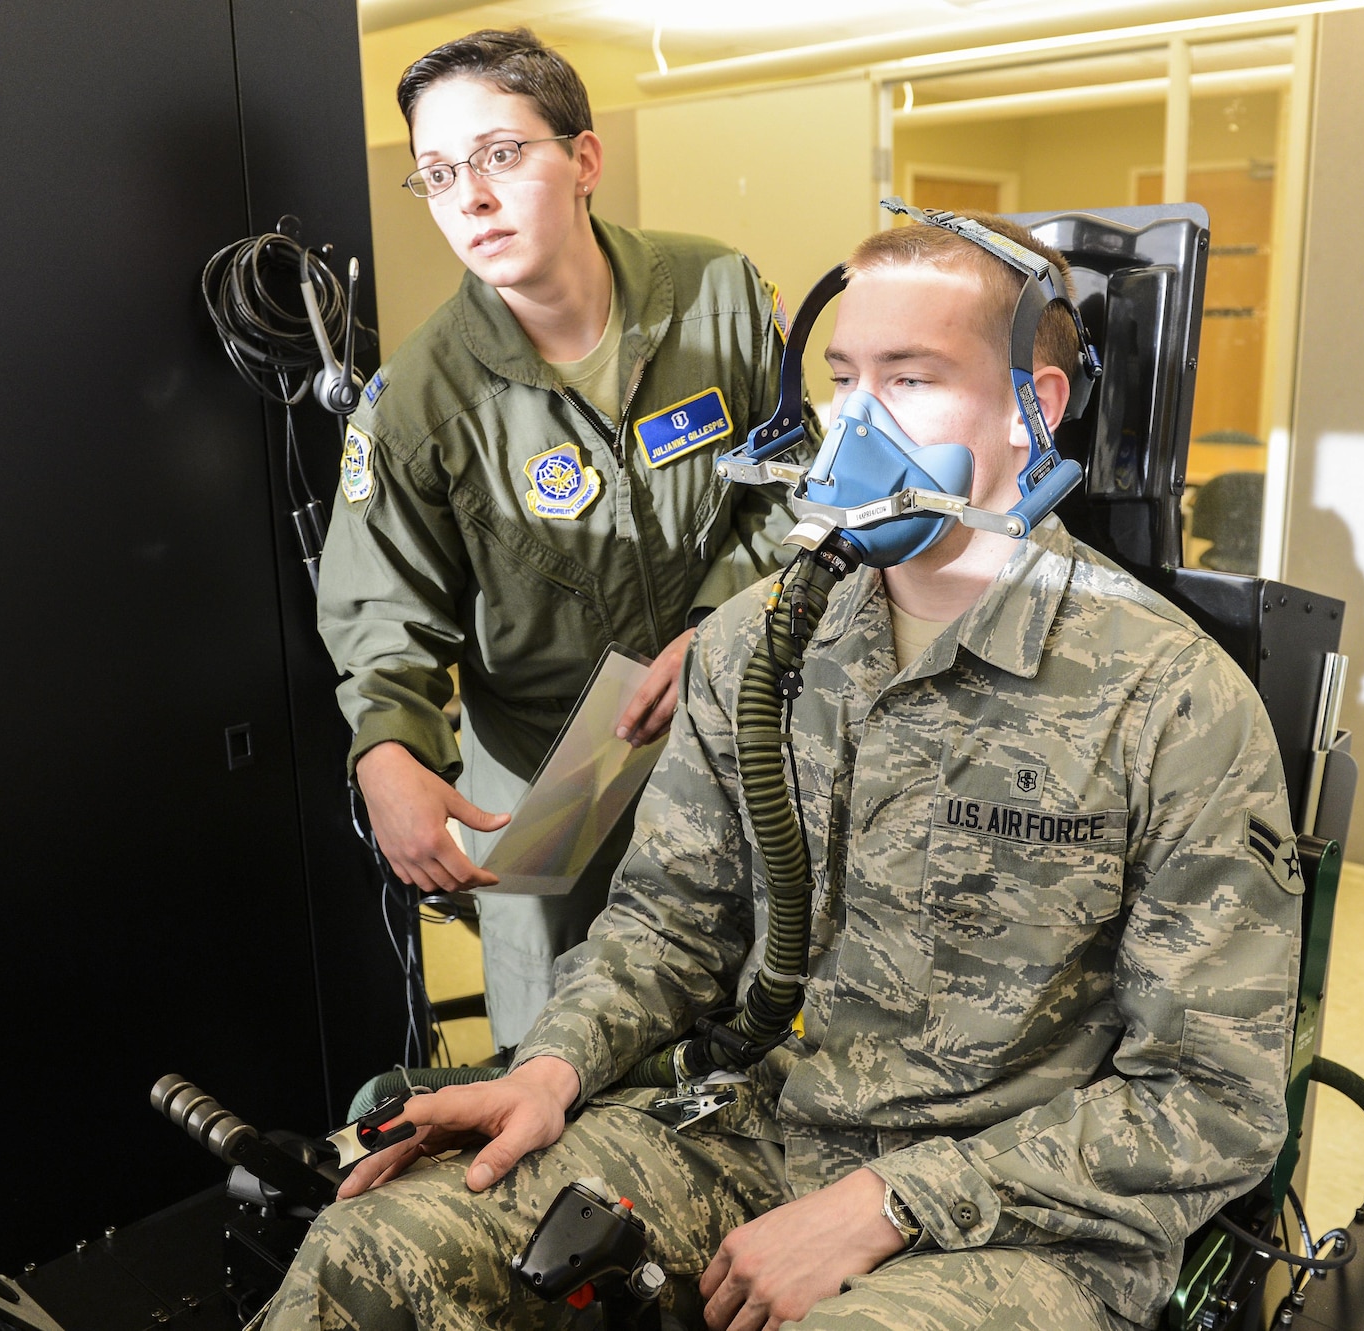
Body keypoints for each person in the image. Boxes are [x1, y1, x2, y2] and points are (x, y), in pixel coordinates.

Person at [272, 210, 1304, 1331]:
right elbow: (667, 922)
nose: (854, 424)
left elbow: (1209, 1100)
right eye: (841, 379)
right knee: (369, 1250)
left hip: (1020, 1216)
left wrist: (893, 1199)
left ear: (1031, 409)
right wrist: (552, 1067)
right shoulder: (755, 644)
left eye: (908, 381)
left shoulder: (1172, 698)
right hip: (764, 1128)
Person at [318, 29, 802, 1051]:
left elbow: (792, 489)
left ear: (583, 160)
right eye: (439, 173)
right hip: (555, 763)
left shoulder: (717, 293)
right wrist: (388, 752)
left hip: (731, 721)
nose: (470, 199)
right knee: (555, 1047)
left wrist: (720, 627)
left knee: (757, 1003)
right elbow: (381, 619)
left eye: (499, 155)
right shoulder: (414, 404)